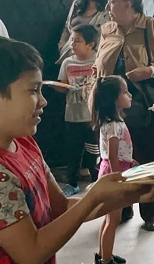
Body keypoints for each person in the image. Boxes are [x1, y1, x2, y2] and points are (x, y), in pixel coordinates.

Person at [0, 33, 154, 264]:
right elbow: (30, 253)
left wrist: (131, 194)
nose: (43, 101)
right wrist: (93, 196)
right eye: (33, 91)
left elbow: (62, 207)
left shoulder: (23, 143)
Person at [94, 0, 154, 231]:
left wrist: (150, 70)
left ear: (128, 4)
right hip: (111, 109)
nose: (108, 6)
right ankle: (123, 206)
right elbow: (100, 62)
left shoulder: (152, 28)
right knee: (115, 158)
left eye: (112, 1)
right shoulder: (107, 29)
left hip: (142, 106)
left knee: (146, 158)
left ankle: (150, 212)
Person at [92, 75, 135, 264]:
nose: (130, 95)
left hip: (113, 169)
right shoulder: (114, 126)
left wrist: (129, 161)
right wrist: (118, 178)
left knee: (110, 218)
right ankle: (106, 260)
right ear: (114, 99)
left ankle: (103, 254)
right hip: (113, 172)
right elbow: (112, 155)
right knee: (113, 221)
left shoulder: (113, 123)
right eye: (125, 92)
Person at [54, 24, 100, 196]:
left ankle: (97, 181)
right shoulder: (67, 62)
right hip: (72, 115)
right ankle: (72, 183)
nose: (72, 44)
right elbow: (61, 85)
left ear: (90, 45)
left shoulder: (97, 60)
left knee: (93, 151)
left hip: (91, 116)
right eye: (71, 40)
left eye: (77, 41)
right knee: (73, 151)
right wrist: (62, 87)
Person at [57, 0, 111, 64]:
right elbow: (67, 28)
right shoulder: (77, 4)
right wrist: (62, 46)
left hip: (94, 62)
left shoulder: (108, 9)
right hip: (69, 59)